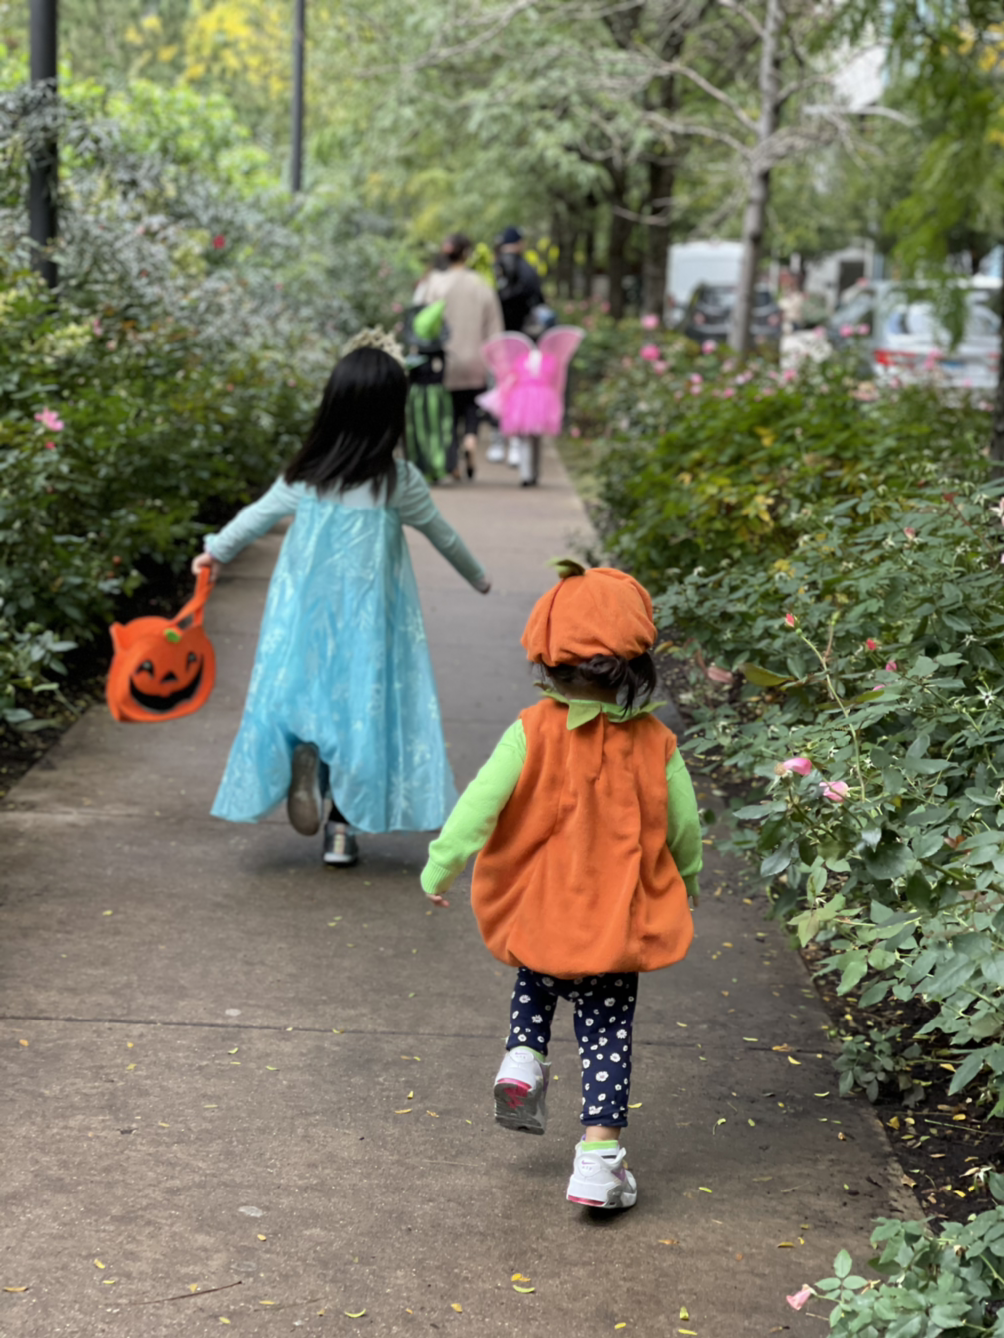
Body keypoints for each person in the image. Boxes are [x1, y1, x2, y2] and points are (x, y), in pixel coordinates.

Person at [420, 562, 702, 1209]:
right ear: (635, 664)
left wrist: (441, 865)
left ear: (547, 660)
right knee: (607, 1034)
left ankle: (523, 1057)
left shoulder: (531, 730)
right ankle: (598, 1165)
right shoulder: (656, 743)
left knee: (536, 977)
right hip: (615, 925)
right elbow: (684, 826)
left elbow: (479, 805)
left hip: (542, 911)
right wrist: (686, 880)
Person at [192, 329, 491, 868]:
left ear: (332, 406)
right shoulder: (397, 482)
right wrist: (479, 578)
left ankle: (308, 755)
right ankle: (340, 830)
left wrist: (214, 552)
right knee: (360, 713)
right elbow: (444, 537)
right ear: (392, 414)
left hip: (303, 618)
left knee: (310, 697)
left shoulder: (306, 477)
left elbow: (254, 519)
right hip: (370, 625)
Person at [423, 233, 504, 481]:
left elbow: (424, 324)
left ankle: (453, 462)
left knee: (448, 412)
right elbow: (495, 330)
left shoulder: (435, 284)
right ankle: (471, 439)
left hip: (445, 360)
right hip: (476, 360)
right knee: (472, 407)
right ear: (467, 253)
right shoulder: (481, 284)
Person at [488, 226, 547, 466]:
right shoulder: (529, 270)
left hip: (500, 341)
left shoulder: (494, 268)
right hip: (525, 342)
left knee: (499, 389)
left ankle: (497, 442)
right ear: (520, 243)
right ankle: (516, 444)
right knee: (520, 390)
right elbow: (540, 303)